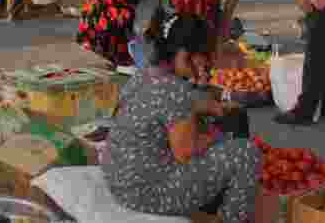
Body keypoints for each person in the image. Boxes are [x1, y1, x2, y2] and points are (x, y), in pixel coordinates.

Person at [104, 13, 261, 223]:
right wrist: (217, 136)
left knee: (212, 122)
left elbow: (160, 108)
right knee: (246, 153)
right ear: (186, 53)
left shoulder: (144, 74)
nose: (207, 63)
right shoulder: (174, 89)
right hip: (148, 194)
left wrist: (201, 107)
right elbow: (186, 152)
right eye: (204, 55)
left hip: (121, 181)